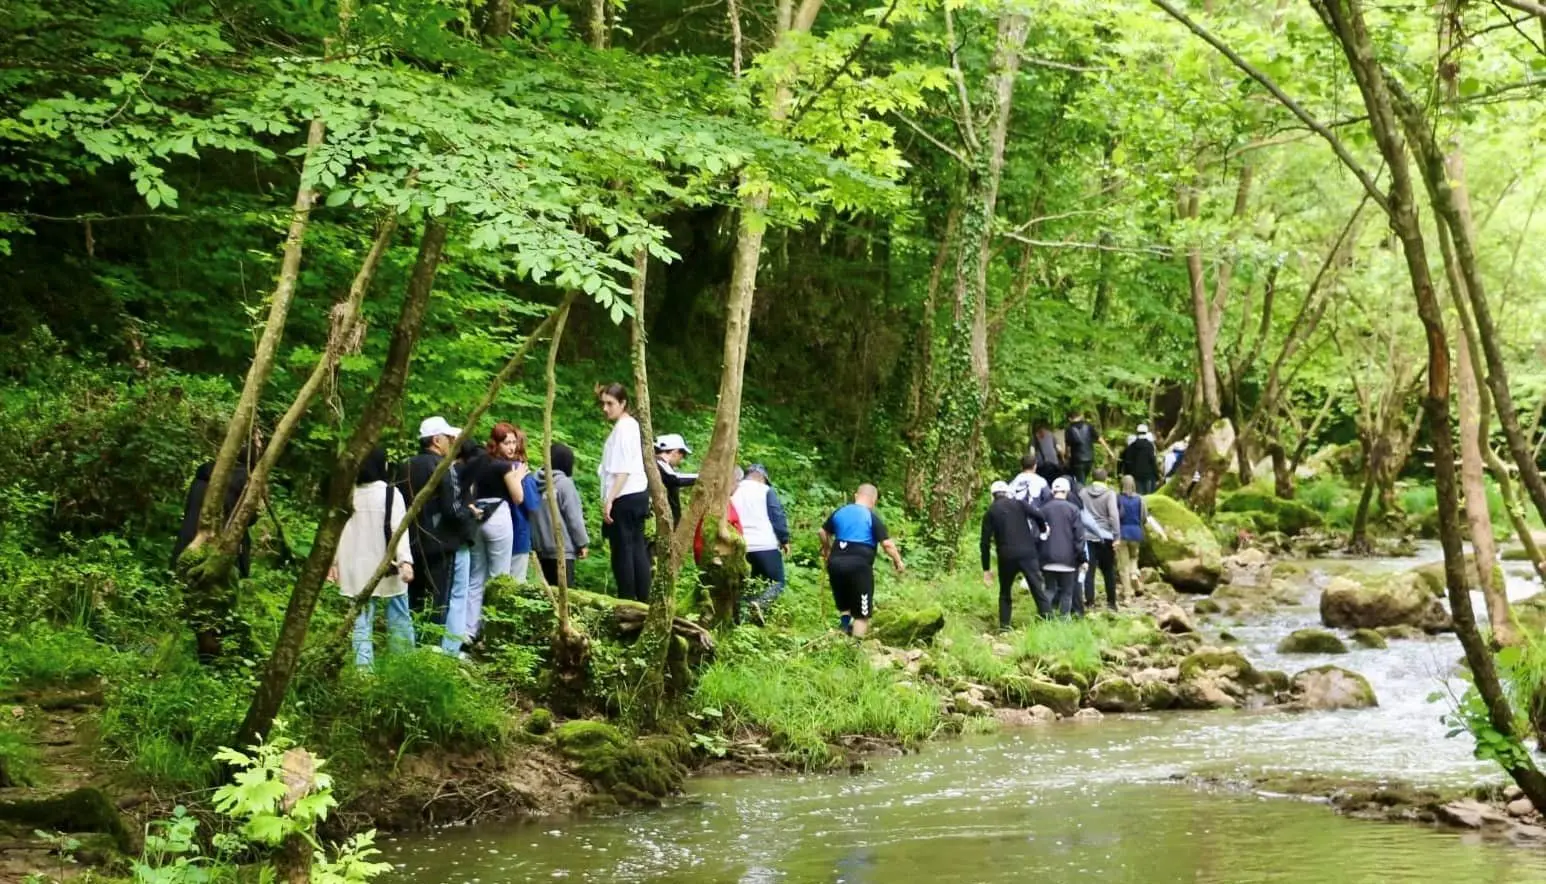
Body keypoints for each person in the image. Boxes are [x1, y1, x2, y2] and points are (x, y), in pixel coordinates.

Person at [331, 448, 415, 668]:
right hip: (387, 566)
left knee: (361, 622)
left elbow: (336, 533)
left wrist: (334, 563)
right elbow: (400, 530)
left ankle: (363, 672)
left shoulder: (348, 495)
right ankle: (404, 666)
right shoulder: (390, 494)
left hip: (356, 570)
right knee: (398, 616)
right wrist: (406, 561)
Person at [461, 423, 536, 643]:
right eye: (507, 442)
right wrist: (519, 477)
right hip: (498, 517)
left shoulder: (477, 463)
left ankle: (468, 630)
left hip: (478, 516)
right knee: (499, 577)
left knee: (476, 576)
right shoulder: (504, 467)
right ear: (497, 443)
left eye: (513, 442)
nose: (512, 447)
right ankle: (492, 632)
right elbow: (519, 497)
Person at [819, 484, 904, 637]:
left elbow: (822, 532)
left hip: (835, 563)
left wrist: (827, 549)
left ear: (856, 495)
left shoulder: (840, 511)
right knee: (862, 613)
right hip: (859, 566)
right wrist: (898, 561)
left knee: (844, 602)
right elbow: (887, 544)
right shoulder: (870, 517)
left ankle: (844, 628)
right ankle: (854, 648)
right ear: (874, 500)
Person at [401, 416, 464, 621]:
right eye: (448, 437)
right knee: (437, 601)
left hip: (408, 543)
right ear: (437, 440)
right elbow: (452, 509)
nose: (451, 442)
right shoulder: (444, 467)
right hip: (439, 545)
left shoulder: (405, 466)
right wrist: (472, 516)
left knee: (412, 600)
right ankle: (432, 647)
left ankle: (410, 647)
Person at [598, 382, 651, 602]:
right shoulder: (631, 427)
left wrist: (610, 500)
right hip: (637, 493)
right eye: (603, 403)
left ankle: (627, 598)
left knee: (622, 550)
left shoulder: (623, 429)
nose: (605, 408)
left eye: (610, 403)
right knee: (636, 546)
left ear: (623, 403)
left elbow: (622, 470)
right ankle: (642, 597)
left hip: (625, 494)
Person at [171, 443, 258, 577]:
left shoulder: (205, 473)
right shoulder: (244, 480)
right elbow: (247, 517)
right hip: (216, 540)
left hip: (189, 536)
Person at [980, 480, 1051, 628]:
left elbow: (985, 543)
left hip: (1006, 556)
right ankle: (1048, 620)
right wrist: (1043, 529)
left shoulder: (990, 512)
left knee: (1005, 592)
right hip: (1027, 552)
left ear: (992, 496)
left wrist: (986, 569)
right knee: (1037, 588)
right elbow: (1039, 515)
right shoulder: (1019, 504)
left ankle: (1005, 626)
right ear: (1007, 493)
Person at [442, 438, 486, 657]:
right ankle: (451, 646)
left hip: (455, 539)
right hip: (457, 538)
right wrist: (471, 512)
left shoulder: (450, 470)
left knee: (457, 591)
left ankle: (452, 643)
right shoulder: (457, 472)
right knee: (458, 592)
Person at [731, 464, 791, 622]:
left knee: (746, 583)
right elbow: (777, 515)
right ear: (763, 478)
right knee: (777, 582)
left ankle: (742, 619)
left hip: (739, 544)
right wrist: (784, 540)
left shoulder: (734, 488)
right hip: (765, 545)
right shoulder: (765, 491)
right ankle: (759, 604)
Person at [532, 442, 589, 589]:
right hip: (562, 551)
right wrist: (582, 543)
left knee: (546, 596)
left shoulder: (533, 482)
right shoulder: (564, 485)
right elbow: (574, 518)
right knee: (564, 597)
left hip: (540, 550)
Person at [1038, 477, 1086, 616]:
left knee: (1049, 589)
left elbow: (1037, 534)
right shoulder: (1073, 509)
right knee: (1067, 592)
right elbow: (1079, 536)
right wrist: (1082, 558)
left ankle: (1044, 617)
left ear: (1053, 491)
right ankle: (1064, 621)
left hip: (1047, 558)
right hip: (1068, 559)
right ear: (1067, 491)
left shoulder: (1044, 509)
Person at [1117, 474, 1168, 599]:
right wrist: (1161, 533)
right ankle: (1134, 574)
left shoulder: (1118, 498)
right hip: (1136, 533)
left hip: (1122, 533)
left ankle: (1128, 594)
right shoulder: (1140, 499)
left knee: (1123, 566)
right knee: (1134, 558)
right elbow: (1146, 518)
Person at [1079, 469, 1121, 611]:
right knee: (1108, 571)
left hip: (1087, 536)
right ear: (1106, 479)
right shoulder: (1109, 494)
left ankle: (1090, 602)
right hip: (1106, 537)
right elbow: (1114, 515)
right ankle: (1111, 603)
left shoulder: (1083, 492)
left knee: (1089, 571)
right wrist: (1116, 536)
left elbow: (1080, 513)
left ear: (1092, 478)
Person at [654, 434, 698, 525]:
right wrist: (701, 477)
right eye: (682, 455)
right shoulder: (658, 463)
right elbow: (675, 479)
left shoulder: (663, 465)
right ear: (675, 452)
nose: (681, 460)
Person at [1120, 423, 1161, 495]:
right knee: (1148, 496)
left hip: (1135, 476)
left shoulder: (1132, 446)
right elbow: (1152, 461)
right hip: (1148, 475)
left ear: (1137, 432)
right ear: (1146, 432)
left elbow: (1128, 462)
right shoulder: (1150, 445)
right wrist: (1157, 475)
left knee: (1138, 495)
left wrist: (1128, 474)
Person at [1064, 411, 1097, 484]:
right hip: (1089, 458)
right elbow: (1099, 438)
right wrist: (1109, 451)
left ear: (1070, 419)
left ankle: (1081, 493)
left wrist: (1066, 459)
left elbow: (1068, 447)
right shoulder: (1088, 426)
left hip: (1077, 460)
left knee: (1080, 482)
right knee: (1084, 479)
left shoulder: (1069, 429)